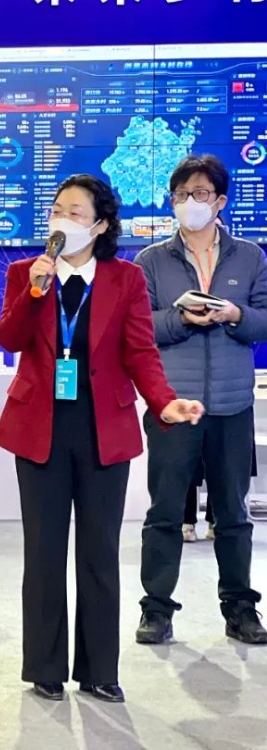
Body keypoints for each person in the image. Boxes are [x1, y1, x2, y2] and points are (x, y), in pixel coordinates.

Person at [0, 174, 203, 705]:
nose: (62, 220)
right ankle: (44, 666)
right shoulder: (25, 272)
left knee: (99, 551)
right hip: (39, 427)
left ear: (101, 224)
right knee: (44, 551)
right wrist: (35, 291)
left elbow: (140, 353)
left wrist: (164, 401)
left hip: (102, 427)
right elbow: (9, 338)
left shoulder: (124, 279)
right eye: (57, 210)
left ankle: (99, 669)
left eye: (76, 212)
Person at [135, 154, 267, 647]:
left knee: (233, 513)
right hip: (173, 406)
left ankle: (240, 608)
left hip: (232, 406)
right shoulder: (150, 260)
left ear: (220, 201)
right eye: (182, 194)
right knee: (165, 512)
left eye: (201, 194)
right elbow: (139, 326)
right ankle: (156, 609)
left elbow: (265, 319)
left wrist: (235, 315)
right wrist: (180, 319)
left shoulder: (250, 256)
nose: (191, 202)